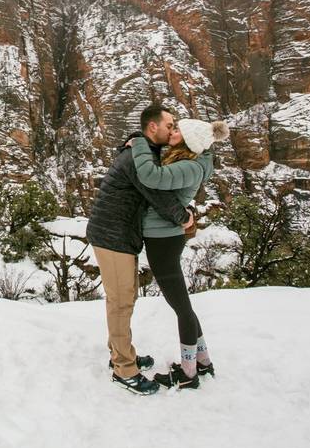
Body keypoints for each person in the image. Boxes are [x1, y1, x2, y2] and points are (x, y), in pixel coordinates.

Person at [86, 105, 195, 396]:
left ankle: (121, 353)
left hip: (119, 234)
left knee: (124, 298)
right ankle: (124, 369)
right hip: (113, 236)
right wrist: (184, 217)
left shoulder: (144, 150)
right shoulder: (139, 157)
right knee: (121, 302)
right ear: (152, 128)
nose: (173, 130)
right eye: (169, 125)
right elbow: (157, 195)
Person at [127, 117, 229, 390]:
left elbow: (151, 177)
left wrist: (138, 142)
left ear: (187, 140)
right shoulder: (188, 160)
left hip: (163, 239)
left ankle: (188, 373)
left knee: (181, 307)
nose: (171, 132)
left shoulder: (190, 167)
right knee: (183, 304)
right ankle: (203, 362)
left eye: (176, 130)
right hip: (165, 235)